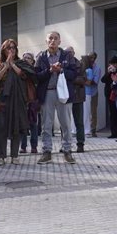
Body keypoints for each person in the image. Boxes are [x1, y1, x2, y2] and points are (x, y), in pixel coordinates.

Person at [35, 31, 78, 164]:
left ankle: (67, 151)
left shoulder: (67, 55)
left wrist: (61, 70)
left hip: (63, 94)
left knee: (65, 123)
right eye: (50, 38)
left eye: (55, 39)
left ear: (60, 41)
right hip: (47, 92)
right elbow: (36, 76)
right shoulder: (41, 57)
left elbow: (74, 74)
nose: (53, 41)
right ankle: (46, 152)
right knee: (46, 124)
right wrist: (49, 71)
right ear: (46, 41)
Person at [0, 39, 36, 165]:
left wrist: (12, 64)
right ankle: (1, 156)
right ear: (4, 50)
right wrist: (6, 65)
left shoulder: (21, 63)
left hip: (18, 100)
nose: (11, 50)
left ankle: (15, 155)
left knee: (16, 127)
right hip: (2, 100)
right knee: (1, 127)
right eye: (8, 48)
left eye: (13, 47)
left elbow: (24, 75)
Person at [66, 46, 86, 152]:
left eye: (70, 52)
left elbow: (83, 79)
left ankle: (80, 144)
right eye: (66, 52)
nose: (69, 54)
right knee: (65, 123)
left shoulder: (81, 64)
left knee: (79, 122)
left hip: (78, 96)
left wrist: (70, 78)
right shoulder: (63, 64)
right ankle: (65, 145)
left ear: (74, 53)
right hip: (65, 97)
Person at [20, 52, 38, 154]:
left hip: (32, 100)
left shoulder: (34, 71)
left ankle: (34, 146)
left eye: (29, 58)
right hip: (22, 100)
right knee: (23, 124)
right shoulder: (19, 71)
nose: (26, 59)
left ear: (32, 61)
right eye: (25, 57)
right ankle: (23, 146)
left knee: (33, 124)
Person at [101, 56, 117, 139]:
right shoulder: (109, 71)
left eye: (114, 64)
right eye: (111, 64)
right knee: (112, 114)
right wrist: (108, 73)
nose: (112, 65)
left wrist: (115, 72)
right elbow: (103, 80)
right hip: (109, 95)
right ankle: (113, 133)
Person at [85, 52, 100, 136]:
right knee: (84, 112)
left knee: (93, 112)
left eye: (93, 57)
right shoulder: (85, 66)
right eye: (90, 57)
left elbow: (95, 82)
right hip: (84, 93)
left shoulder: (97, 68)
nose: (91, 59)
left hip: (93, 93)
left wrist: (85, 81)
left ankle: (93, 130)